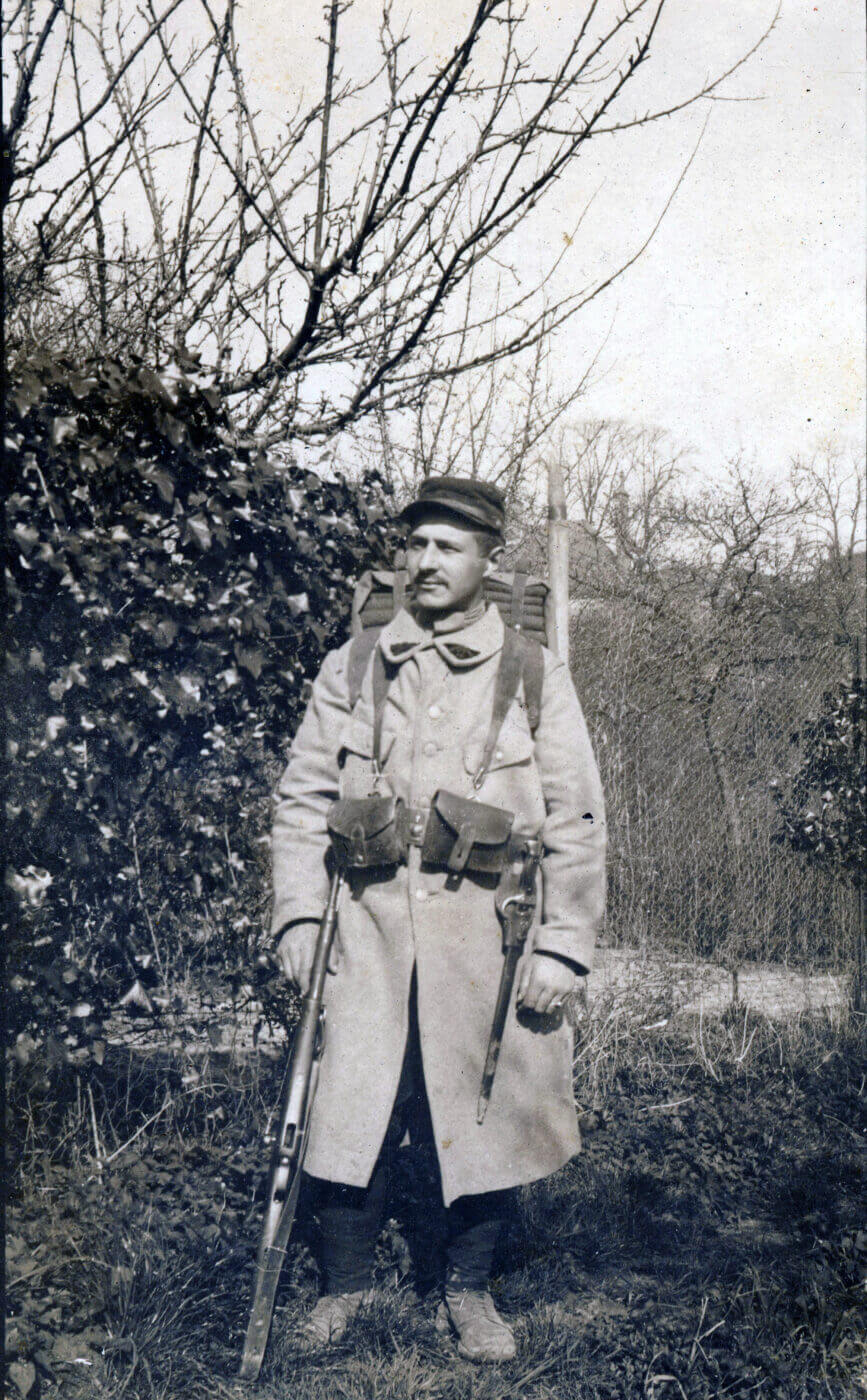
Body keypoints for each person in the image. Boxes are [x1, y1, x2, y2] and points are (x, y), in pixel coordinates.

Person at [271, 476, 606, 1362]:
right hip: (367, 931)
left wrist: (565, 950)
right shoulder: (354, 664)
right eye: (413, 545)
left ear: (486, 561)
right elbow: (303, 802)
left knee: (486, 1110)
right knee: (350, 1101)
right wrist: (299, 918)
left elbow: (576, 818)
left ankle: (470, 1292)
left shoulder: (531, 673)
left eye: (446, 547)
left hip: (488, 942)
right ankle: (343, 1288)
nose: (424, 562)